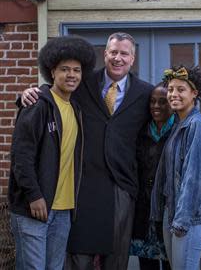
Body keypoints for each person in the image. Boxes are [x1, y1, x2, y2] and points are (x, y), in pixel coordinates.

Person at [20, 32, 153, 269]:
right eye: (113, 52)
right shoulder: (82, 82)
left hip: (121, 187)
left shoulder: (145, 93)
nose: (118, 58)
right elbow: (53, 93)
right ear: (105, 54)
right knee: (77, 258)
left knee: (116, 259)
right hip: (81, 185)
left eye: (124, 53)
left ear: (133, 58)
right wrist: (28, 95)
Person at [8, 36, 96, 270]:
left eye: (76, 70)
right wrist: (34, 195)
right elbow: (20, 156)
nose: (71, 75)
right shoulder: (37, 105)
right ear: (52, 71)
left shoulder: (76, 109)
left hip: (63, 210)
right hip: (33, 207)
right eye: (64, 69)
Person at [151, 65, 201, 269]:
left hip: (190, 216)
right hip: (173, 212)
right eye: (171, 89)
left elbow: (196, 178)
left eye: (181, 89)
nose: (173, 94)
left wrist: (182, 221)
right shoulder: (178, 125)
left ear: (194, 93)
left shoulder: (197, 125)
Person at [130, 82, 173, 270]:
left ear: (172, 103)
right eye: (153, 101)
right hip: (143, 211)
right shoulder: (141, 131)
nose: (156, 106)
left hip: (167, 212)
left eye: (162, 102)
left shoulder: (179, 131)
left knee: (172, 263)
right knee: (147, 265)